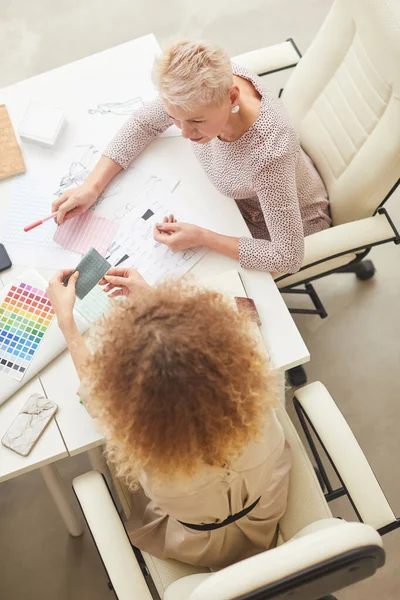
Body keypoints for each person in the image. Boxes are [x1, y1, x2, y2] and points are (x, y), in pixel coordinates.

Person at [47, 267, 291, 569]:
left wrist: (67, 323)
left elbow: (96, 397)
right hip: (266, 510)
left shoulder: (141, 445)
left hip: (199, 545)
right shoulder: (258, 398)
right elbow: (196, 361)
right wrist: (164, 316)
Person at [52, 40, 330, 274]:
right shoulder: (203, 85)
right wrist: (91, 187)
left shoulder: (268, 154)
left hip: (278, 229)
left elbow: (287, 257)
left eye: (196, 121)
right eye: (174, 117)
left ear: (233, 97)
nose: (185, 133)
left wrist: (204, 238)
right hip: (229, 203)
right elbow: (143, 123)